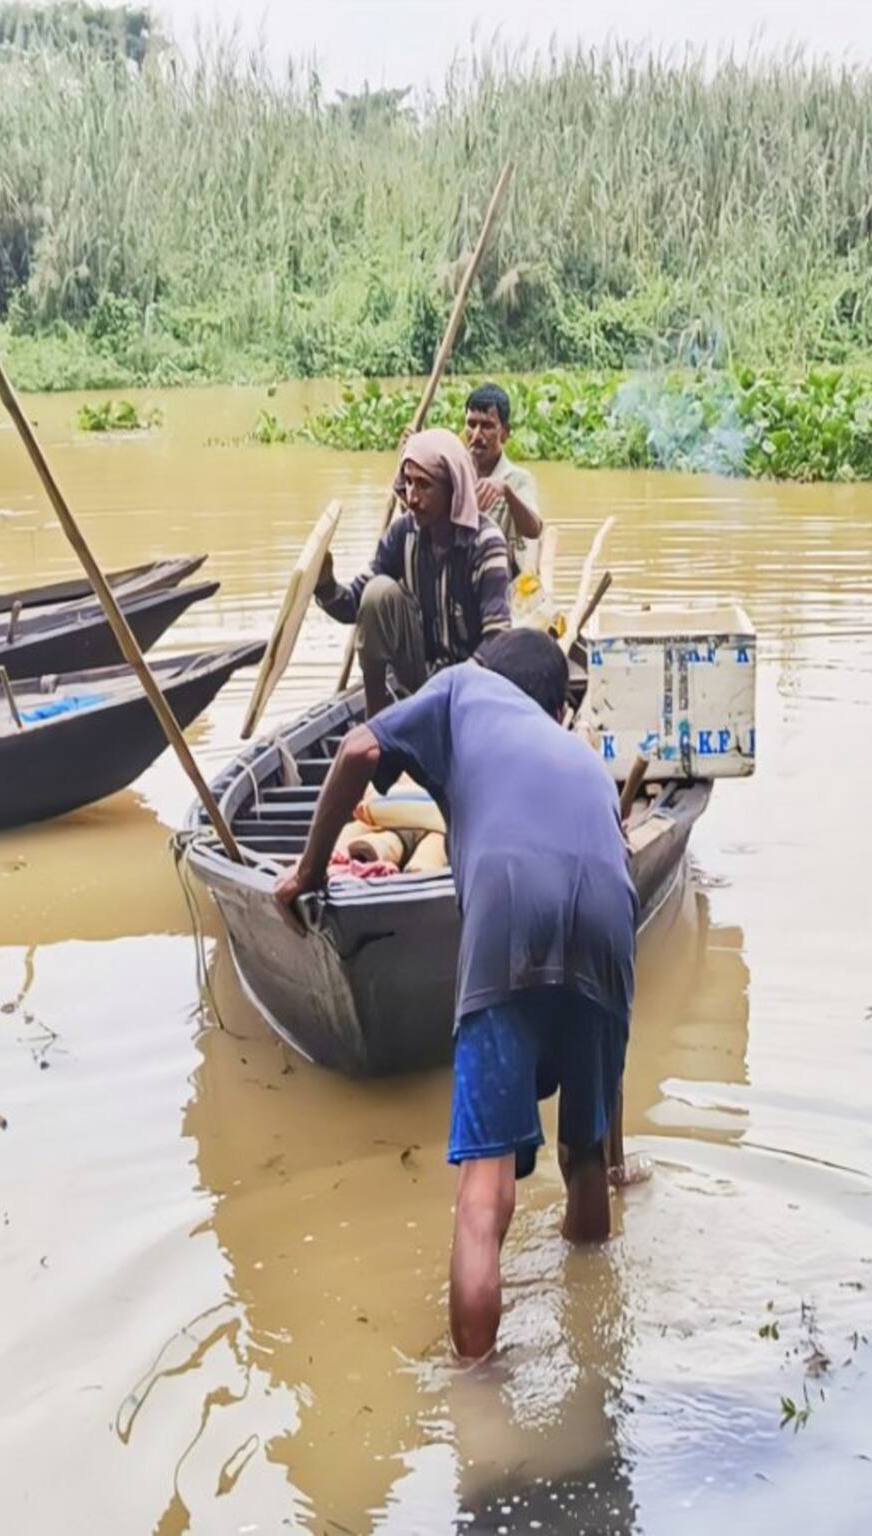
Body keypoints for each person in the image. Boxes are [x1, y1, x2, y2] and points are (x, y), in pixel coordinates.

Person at [273, 629, 635, 1360]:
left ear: (484, 669)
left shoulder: (461, 687)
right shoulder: (586, 762)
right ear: (552, 708)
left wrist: (309, 873)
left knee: (484, 1192)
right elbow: (616, 864)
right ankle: (595, 1356)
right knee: (586, 1160)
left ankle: (477, 1400)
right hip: (611, 915)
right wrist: (614, 1153)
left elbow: (357, 753)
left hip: (509, 909)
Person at [314, 427, 513, 716]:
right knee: (378, 593)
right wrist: (324, 584)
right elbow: (355, 604)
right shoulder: (402, 534)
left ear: (452, 489)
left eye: (424, 485)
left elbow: (497, 639)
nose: (412, 496)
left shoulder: (486, 542)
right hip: (421, 678)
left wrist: (448, 688)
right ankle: (377, 719)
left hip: (472, 686)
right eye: (408, 483)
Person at [465, 383, 545, 574]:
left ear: (505, 432)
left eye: (487, 426)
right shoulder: (454, 473)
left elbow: (534, 529)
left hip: (501, 581)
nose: (476, 435)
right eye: (471, 424)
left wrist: (506, 491)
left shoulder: (518, 479)